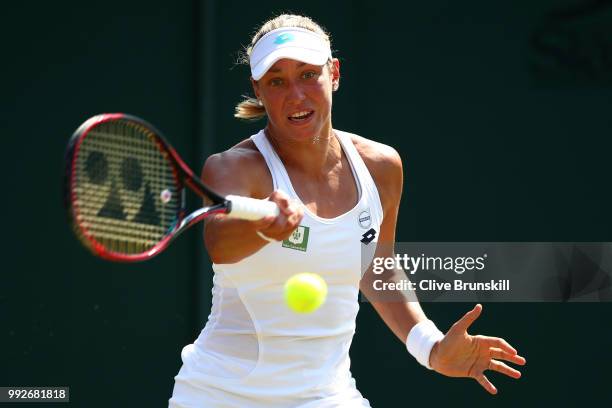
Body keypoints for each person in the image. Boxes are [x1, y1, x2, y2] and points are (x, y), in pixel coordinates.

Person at [169, 14, 526, 407]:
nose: (296, 95)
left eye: (308, 74)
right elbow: (219, 244)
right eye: (277, 81)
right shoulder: (232, 168)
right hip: (221, 396)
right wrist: (263, 227)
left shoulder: (382, 166)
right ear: (258, 89)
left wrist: (432, 347)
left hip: (328, 396)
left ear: (334, 73)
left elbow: (377, 265)